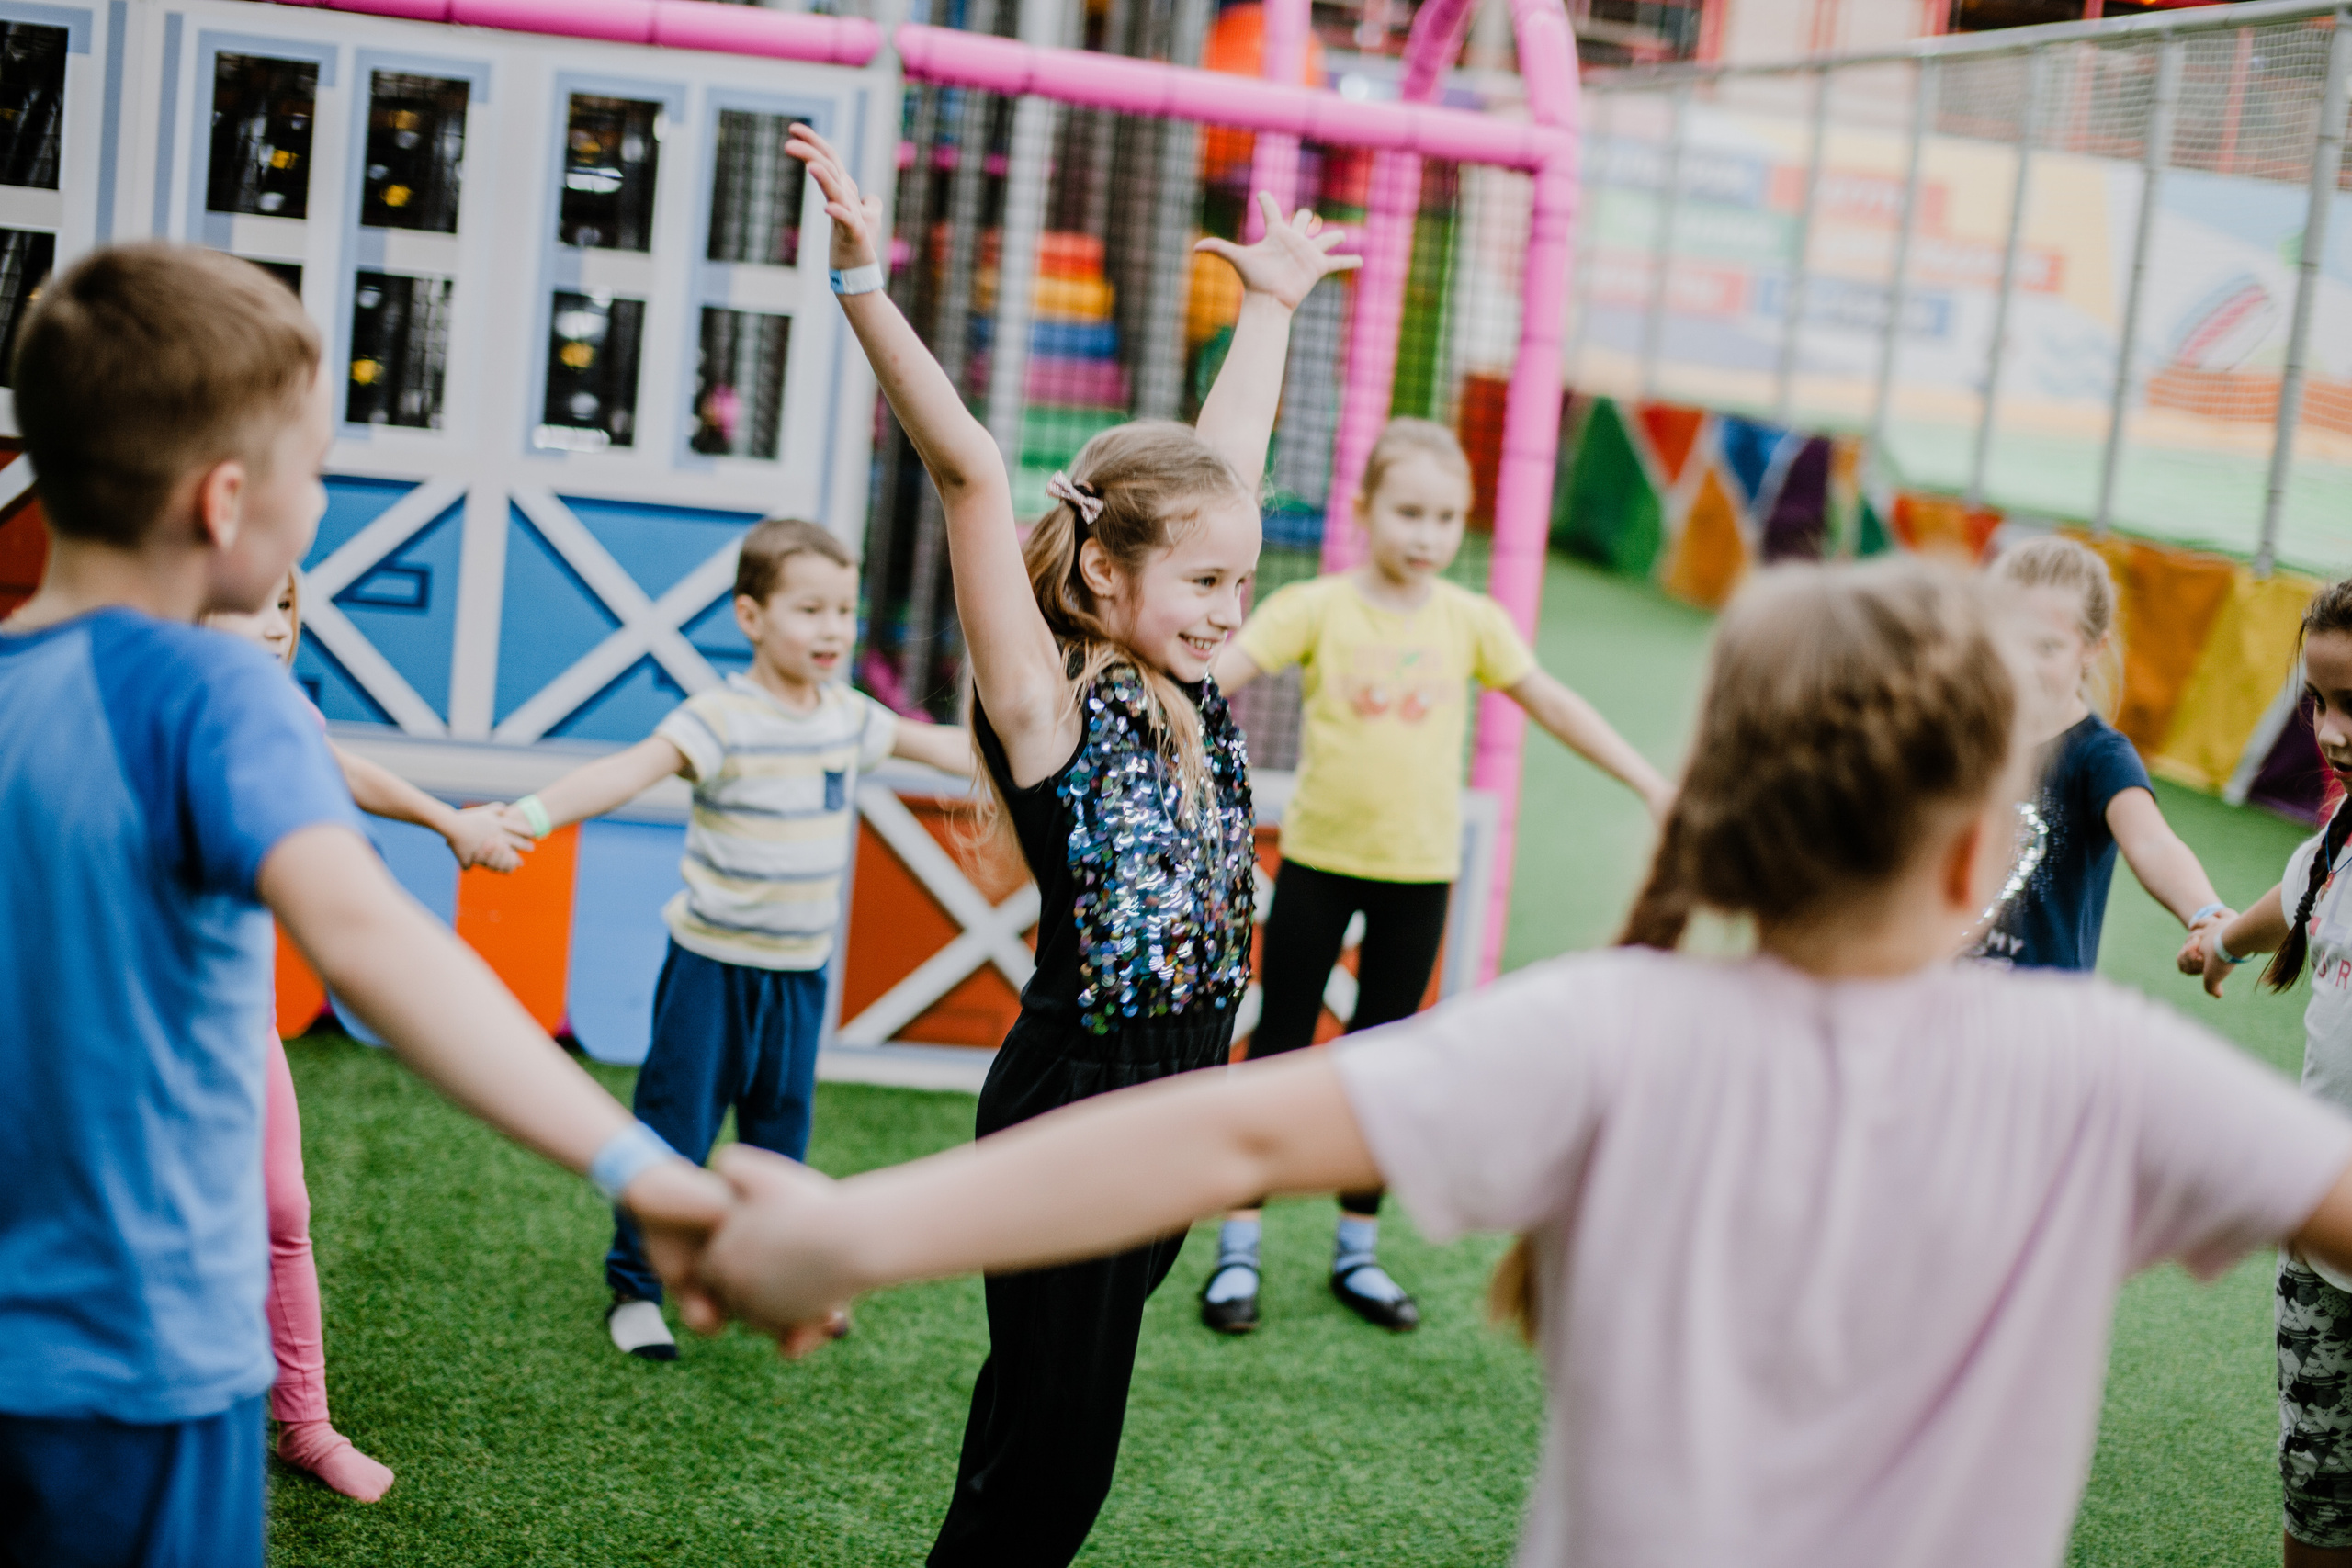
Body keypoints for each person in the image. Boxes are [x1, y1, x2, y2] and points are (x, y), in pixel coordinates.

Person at [692, 557, 2352, 1568]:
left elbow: (1204, 1138)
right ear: (1980, 846)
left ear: (1723, 811)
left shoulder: (1615, 1026)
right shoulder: (2101, 1071)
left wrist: (843, 1230)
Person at [0, 243, 731, 1566]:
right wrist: (643, 1167)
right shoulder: (220, 697)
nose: (323, 500)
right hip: (140, 1365)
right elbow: (383, 946)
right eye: (319, 468)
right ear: (228, 502)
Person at [781, 124, 1355, 1565]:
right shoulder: (1053, 706)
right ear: (1104, 569)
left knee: (1047, 1409)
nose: (1233, 607)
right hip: (1084, 1088)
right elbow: (973, 473)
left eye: (1245, 578)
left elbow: (1219, 470)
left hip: (1180, 1084)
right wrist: (864, 285)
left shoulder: (1193, 683)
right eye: (1206, 581)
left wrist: (1272, 308)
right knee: (1058, 1443)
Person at [1201, 415, 1673, 1334]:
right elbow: (1217, 675)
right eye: (1408, 511)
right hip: (1316, 865)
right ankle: (1237, 1251)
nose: (1426, 534)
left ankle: (1355, 1251)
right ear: (1365, 509)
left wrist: (1649, 780)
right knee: (1278, 1047)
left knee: (1389, 1063)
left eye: (1446, 517)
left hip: (1417, 876)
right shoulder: (1315, 607)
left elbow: (1556, 705)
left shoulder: (1472, 623)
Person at [492, 515, 974, 1362]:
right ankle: (636, 1288)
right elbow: (625, 771)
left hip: (798, 976)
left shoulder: (847, 718)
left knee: (777, 1142)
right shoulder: (720, 716)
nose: (832, 629)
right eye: (809, 610)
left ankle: (778, 1278)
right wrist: (528, 817)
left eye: (843, 611)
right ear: (751, 617)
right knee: (673, 1133)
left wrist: (1050, 754)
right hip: (710, 969)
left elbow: (942, 746)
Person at [200, 570, 530, 1501]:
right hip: (145, 1040)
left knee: (282, 1213)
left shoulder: (280, 719)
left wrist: (446, 820)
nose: (272, 629)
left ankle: (303, 1423)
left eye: (284, 608)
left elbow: (343, 773)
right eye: (248, 606)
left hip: (246, 1028)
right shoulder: (153, 718)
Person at [2180, 578, 2352, 1568]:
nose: (2332, 732)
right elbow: (2277, 910)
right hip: (2316, 1249)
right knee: (2318, 1493)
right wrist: (2216, 945)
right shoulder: (2332, 850)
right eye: (2320, 702)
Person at [1975, 535, 2231, 970]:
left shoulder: (2099, 756)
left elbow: (2152, 843)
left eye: (2047, 647)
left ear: (2093, 648)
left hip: (2039, 1014)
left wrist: (2206, 913)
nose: (2023, 663)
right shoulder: (1966, 735)